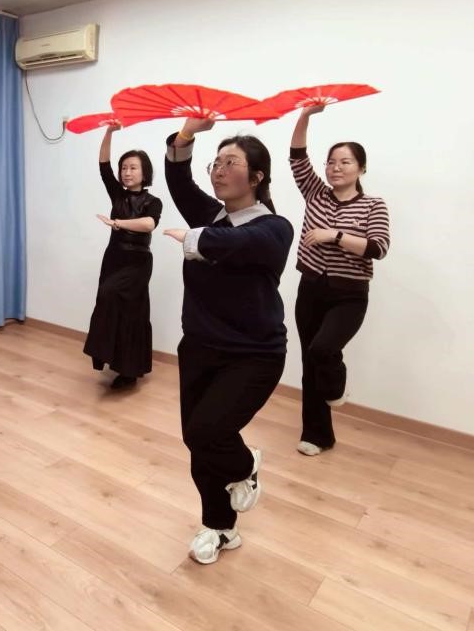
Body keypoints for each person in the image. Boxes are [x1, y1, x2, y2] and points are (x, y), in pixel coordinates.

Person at [161, 117, 295, 565]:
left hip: (254, 355)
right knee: (198, 441)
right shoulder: (211, 217)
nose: (218, 170)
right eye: (216, 163)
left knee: (208, 431)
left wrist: (194, 238)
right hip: (200, 348)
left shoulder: (275, 227)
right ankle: (219, 527)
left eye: (230, 163)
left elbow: (242, 244)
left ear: (256, 177)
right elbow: (179, 181)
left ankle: (245, 466)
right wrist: (186, 135)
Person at [289, 104, 391, 456]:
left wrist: (334, 235)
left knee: (323, 350)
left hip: (349, 295)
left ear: (361, 168)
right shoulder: (315, 193)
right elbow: (297, 157)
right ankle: (317, 435)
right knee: (309, 360)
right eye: (331, 162)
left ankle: (335, 388)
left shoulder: (373, 205)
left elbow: (378, 248)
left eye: (345, 162)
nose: (336, 167)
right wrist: (305, 117)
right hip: (310, 289)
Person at [84, 123, 163, 390]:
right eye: (124, 168)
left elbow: (149, 224)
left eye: (133, 168)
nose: (127, 172)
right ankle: (117, 363)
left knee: (131, 311)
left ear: (144, 172)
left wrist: (118, 223)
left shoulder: (153, 201)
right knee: (109, 303)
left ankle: (131, 370)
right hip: (114, 257)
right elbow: (103, 164)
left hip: (138, 262)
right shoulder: (117, 194)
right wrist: (109, 132)